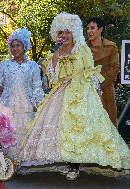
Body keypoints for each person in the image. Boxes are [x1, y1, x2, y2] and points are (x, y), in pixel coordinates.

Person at [17, 12, 130, 180]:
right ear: (57, 35)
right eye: (61, 33)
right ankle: (68, 162)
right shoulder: (55, 53)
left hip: (81, 92)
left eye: (67, 32)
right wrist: (55, 54)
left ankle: (74, 165)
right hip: (61, 92)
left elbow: (90, 72)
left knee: (79, 129)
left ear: (74, 32)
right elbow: (53, 78)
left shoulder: (82, 49)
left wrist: (94, 92)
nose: (64, 36)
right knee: (62, 130)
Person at [0, 28, 45, 160]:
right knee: (7, 132)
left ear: (24, 46)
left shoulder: (33, 66)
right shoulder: (4, 65)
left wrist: (38, 104)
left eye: (18, 45)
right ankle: (7, 161)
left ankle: (22, 160)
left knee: (24, 132)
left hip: (26, 106)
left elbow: (37, 87)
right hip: (7, 105)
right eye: (12, 46)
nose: (15, 49)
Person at [86, 17, 119, 127]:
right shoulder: (82, 48)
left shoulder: (111, 46)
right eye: (88, 28)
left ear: (100, 29)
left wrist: (99, 83)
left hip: (106, 91)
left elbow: (114, 68)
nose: (89, 31)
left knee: (109, 125)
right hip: (86, 91)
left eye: (92, 28)